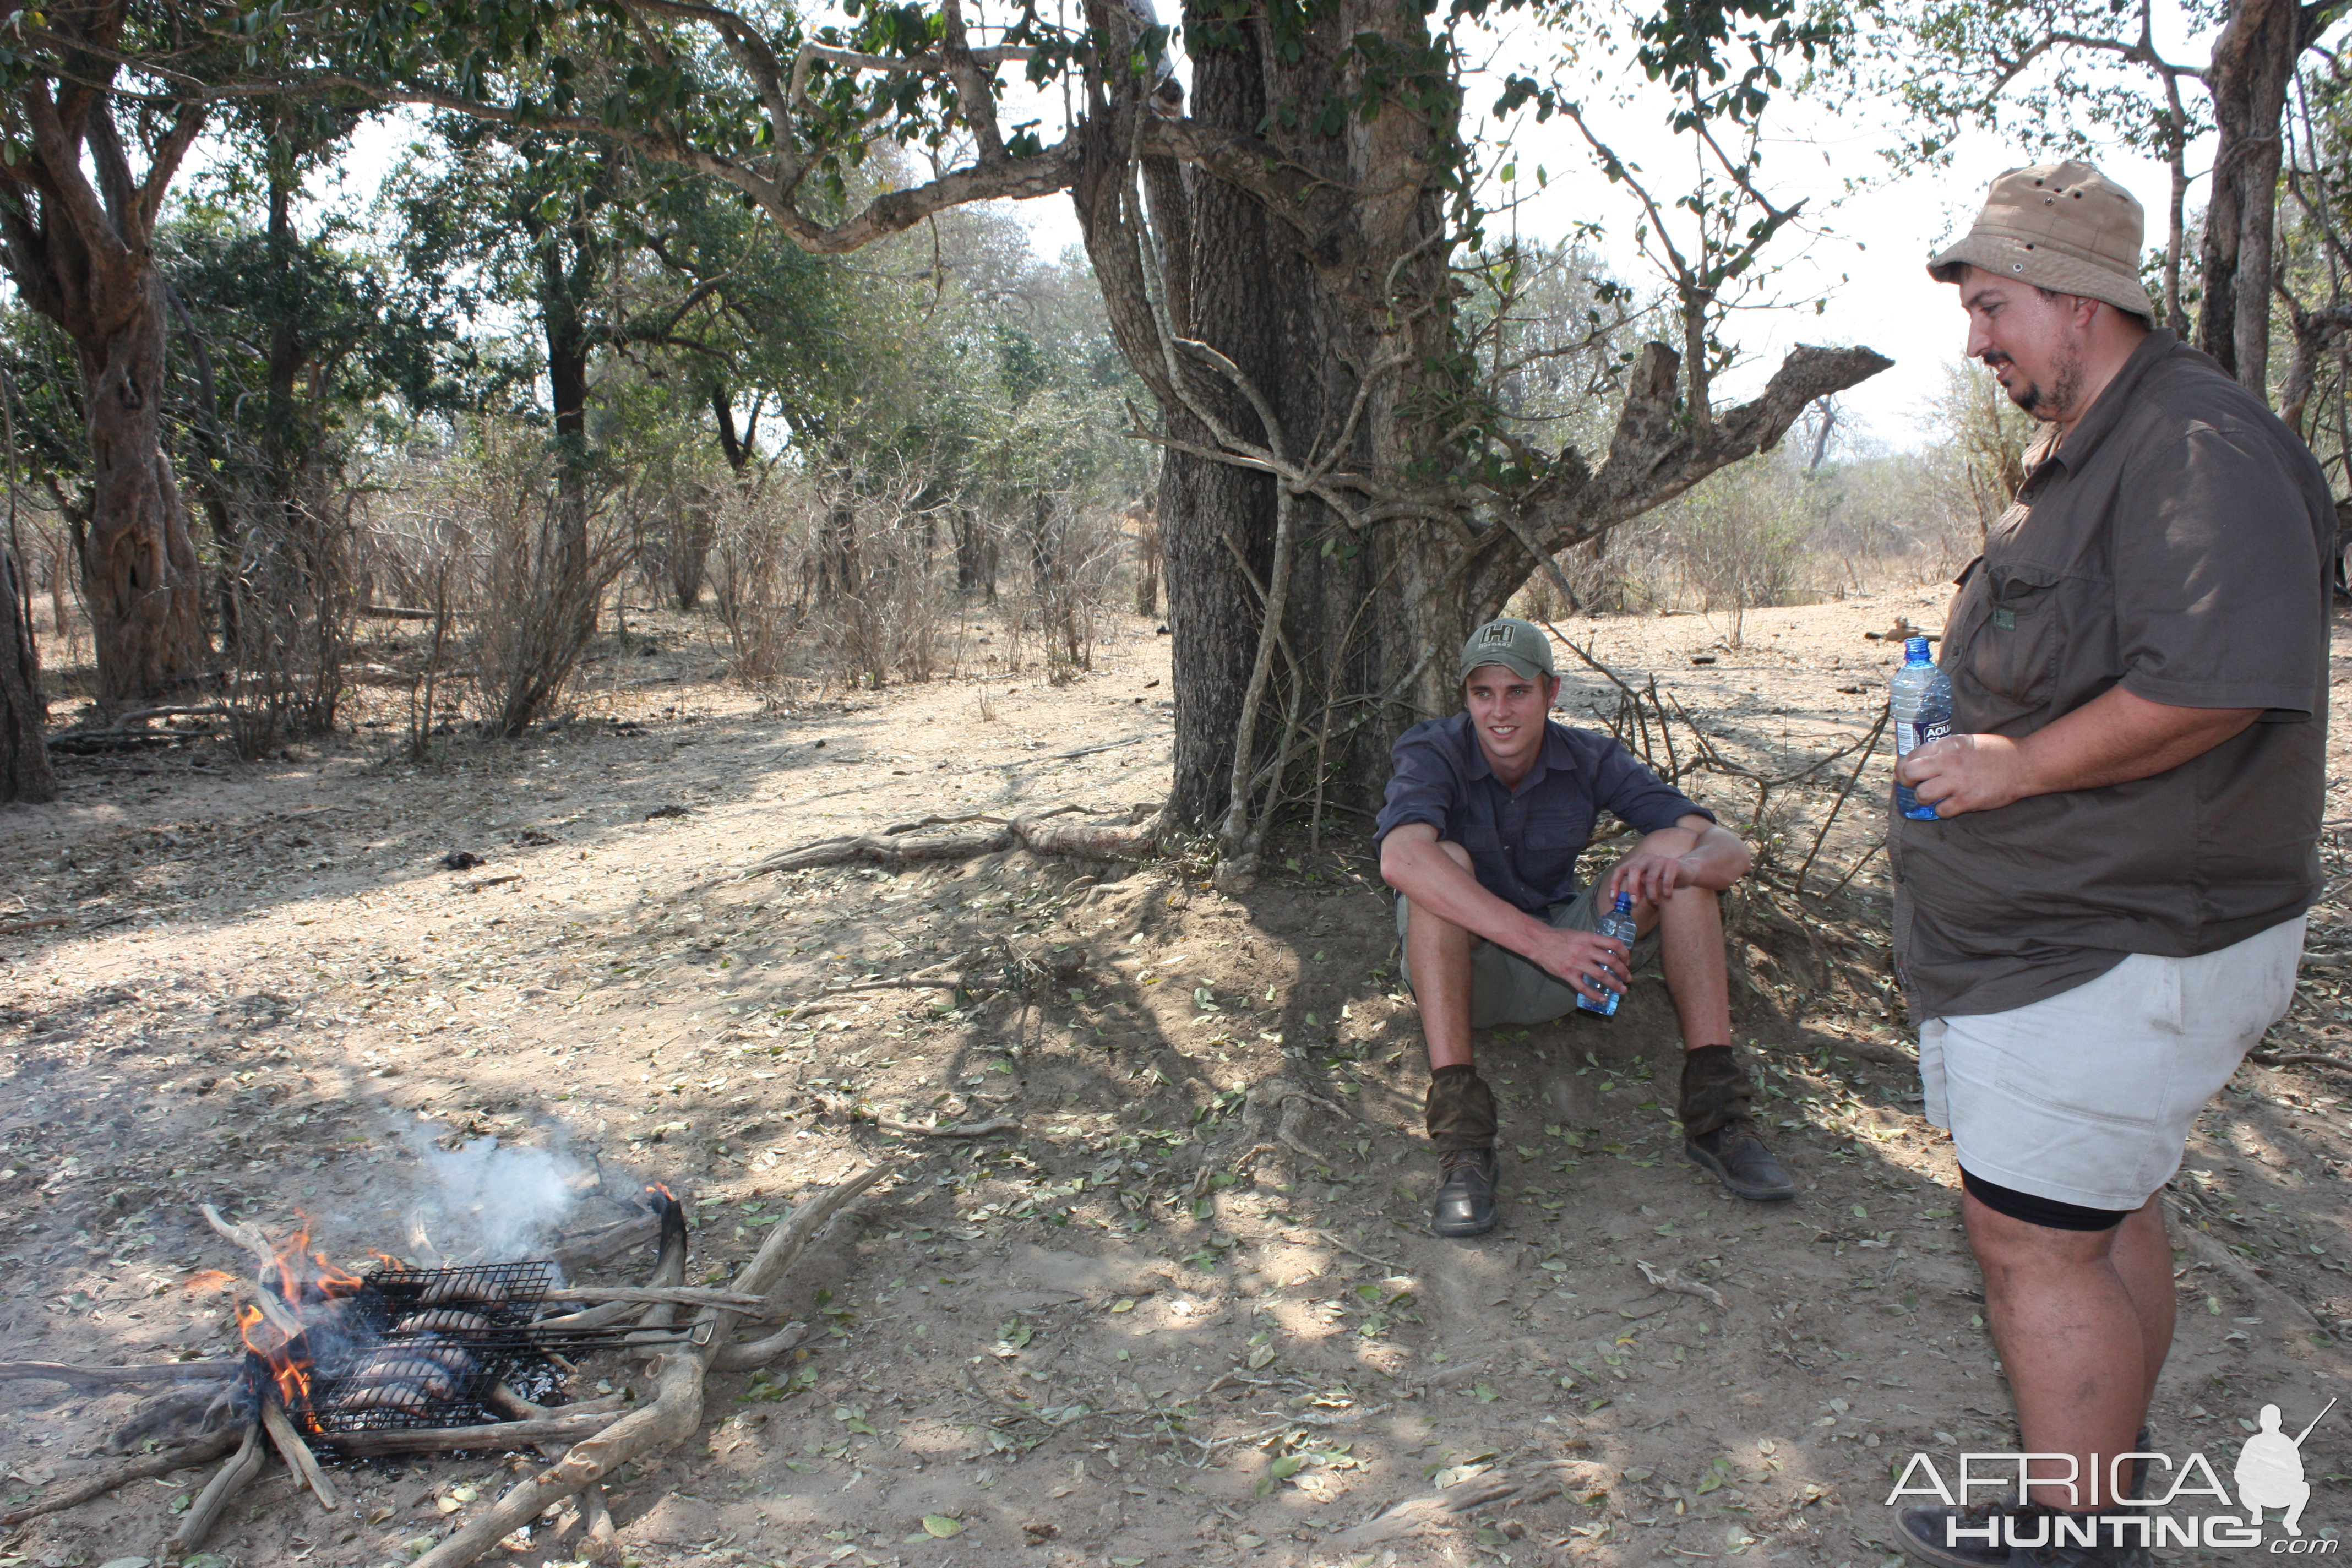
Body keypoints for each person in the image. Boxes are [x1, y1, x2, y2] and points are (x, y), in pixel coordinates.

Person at [1890, 161, 2332, 1568]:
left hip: (2123, 938)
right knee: (2099, 1206)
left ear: (2081, 303)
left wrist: (2017, 765)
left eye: (1995, 305)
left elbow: (2211, 682)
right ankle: (2090, 1480)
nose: (1976, 339)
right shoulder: (2102, 436)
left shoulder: (2194, 443)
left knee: (2033, 1243)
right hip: (2070, 937)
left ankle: (2080, 1531)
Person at [1375, 616, 1794, 1238]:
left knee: (1676, 861)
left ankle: (1717, 1116)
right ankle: (1463, 1144)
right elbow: (1399, 858)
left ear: (1552, 691)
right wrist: (1545, 944)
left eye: (1518, 691)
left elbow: (1727, 846)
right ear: (1464, 698)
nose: (1500, 711)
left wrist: (1684, 865)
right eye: (1482, 693)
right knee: (1440, 865)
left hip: (1573, 970)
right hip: (1469, 976)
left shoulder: (1587, 755)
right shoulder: (1432, 748)